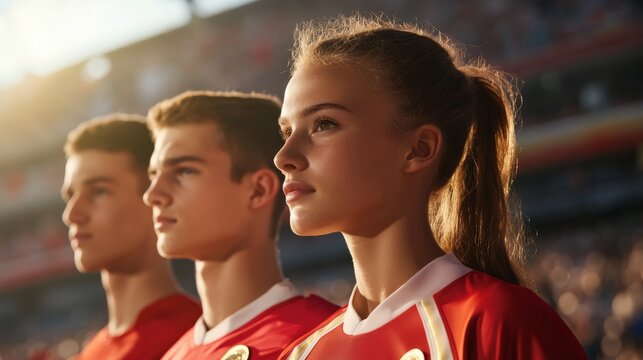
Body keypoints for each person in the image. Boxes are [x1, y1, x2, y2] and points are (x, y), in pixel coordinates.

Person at [274, 15, 587, 360]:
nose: (283, 156)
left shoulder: (496, 323)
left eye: (324, 124)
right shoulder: (299, 354)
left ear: (419, 149)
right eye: (287, 132)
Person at [143, 91, 339, 360]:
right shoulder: (172, 356)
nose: (153, 194)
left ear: (258, 190)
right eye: (154, 175)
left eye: (184, 171)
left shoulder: (324, 343)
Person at [61, 114, 201, 359]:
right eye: (70, 194)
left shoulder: (197, 339)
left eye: (99, 191)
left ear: (155, 198)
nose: (72, 214)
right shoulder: (93, 350)